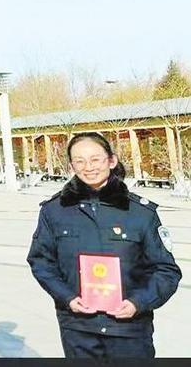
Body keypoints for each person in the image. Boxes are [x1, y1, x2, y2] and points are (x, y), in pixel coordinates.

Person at [27, 132, 181, 358]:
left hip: (129, 330)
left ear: (111, 161)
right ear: (71, 165)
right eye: (80, 161)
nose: (88, 167)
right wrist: (67, 297)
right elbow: (41, 261)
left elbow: (166, 270)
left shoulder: (140, 212)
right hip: (78, 328)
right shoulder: (54, 211)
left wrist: (138, 302)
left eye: (95, 159)